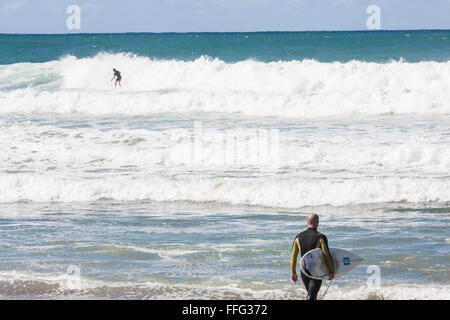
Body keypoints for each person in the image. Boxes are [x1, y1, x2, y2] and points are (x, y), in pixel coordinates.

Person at [290, 213, 334, 300]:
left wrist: (293, 272)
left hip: (304, 271)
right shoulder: (320, 237)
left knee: (311, 294)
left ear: (307, 222)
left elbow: (293, 256)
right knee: (312, 296)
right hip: (316, 272)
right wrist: (331, 271)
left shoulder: (298, 237)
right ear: (317, 223)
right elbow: (326, 255)